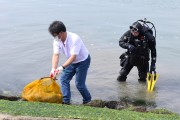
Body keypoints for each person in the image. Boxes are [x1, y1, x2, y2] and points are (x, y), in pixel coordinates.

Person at [48, 21, 91, 104]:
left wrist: (62, 67)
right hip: (71, 62)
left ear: (61, 33)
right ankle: (66, 101)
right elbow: (56, 55)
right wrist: (53, 69)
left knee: (79, 84)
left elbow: (73, 56)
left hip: (83, 61)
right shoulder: (57, 40)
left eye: (55, 35)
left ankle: (87, 100)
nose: (54, 37)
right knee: (64, 79)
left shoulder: (75, 38)